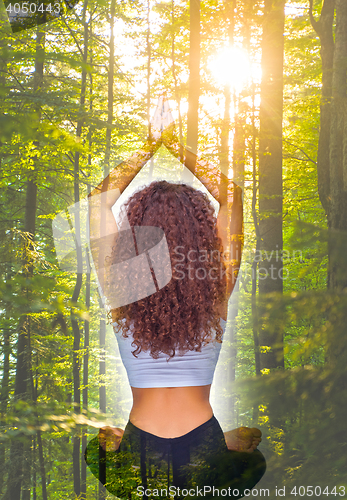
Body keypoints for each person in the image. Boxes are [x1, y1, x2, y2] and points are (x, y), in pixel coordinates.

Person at [85, 118, 266, 499]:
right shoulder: (217, 288)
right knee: (252, 461)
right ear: (202, 241)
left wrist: (149, 145)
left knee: (98, 452)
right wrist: (176, 145)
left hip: (140, 445)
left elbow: (98, 201)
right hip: (204, 439)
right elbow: (231, 195)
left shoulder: (121, 290)